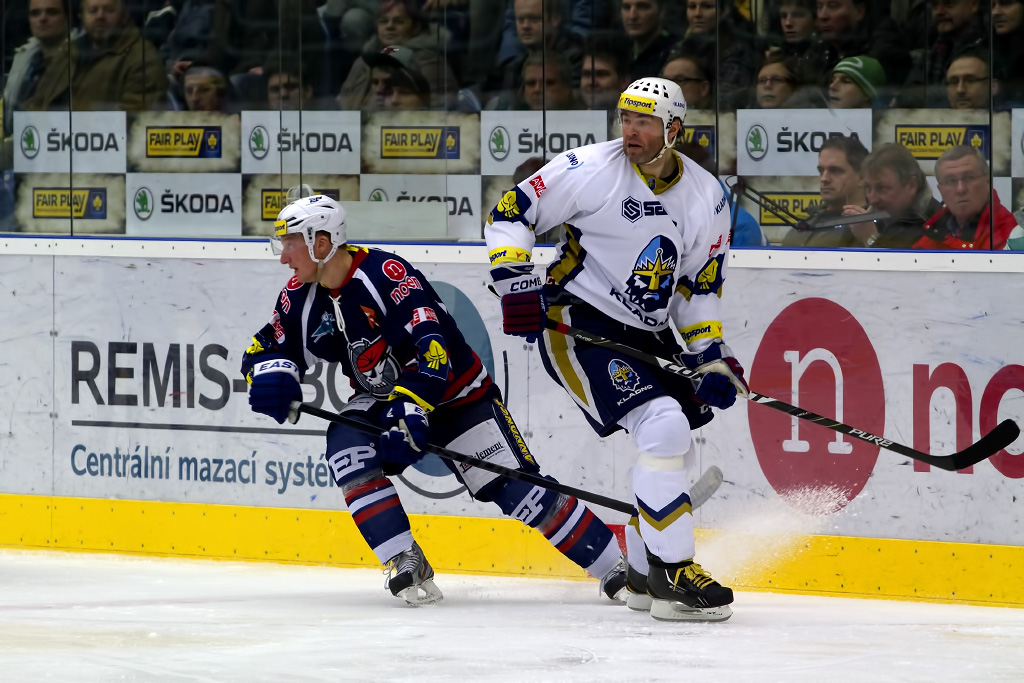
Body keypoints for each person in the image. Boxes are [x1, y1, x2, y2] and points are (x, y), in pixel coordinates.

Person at [241, 194, 628, 606]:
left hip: (458, 395)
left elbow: (433, 348)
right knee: (346, 444)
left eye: (290, 244)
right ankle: (404, 558)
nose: (283, 257)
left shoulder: (386, 274)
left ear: (321, 243)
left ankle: (616, 567)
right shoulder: (299, 297)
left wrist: (411, 409)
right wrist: (271, 374)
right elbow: (266, 348)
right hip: (382, 398)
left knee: (518, 491)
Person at [484, 77, 743, 622]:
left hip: (646, 331)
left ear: (674, 129)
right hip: (575, 320)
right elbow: (511, 212)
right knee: (663, 424)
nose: (630, 131)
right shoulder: (589, 168)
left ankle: (647, 575)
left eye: (644, 122)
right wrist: (515, 282)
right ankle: (675, 571)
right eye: (626, 119)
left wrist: (709, 356)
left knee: (674, 445)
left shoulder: (708, 197)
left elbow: (697, 287)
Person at [23, 0, 167, 112]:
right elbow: (37, 101)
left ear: (124, 15)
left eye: (109, 10)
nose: (100, 16)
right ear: (82, 16)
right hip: (51, 136)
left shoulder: (142, 57)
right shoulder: (68, 52)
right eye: (92, 10)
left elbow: (136, 117)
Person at [914, 146, 1019, 250]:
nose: (960, 189)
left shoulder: (1010, 236)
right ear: (940, 190)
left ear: (988, 182)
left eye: (969, 177)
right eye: (950, 181)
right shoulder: (931, 233)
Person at [838, 143, 940, 248]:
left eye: (881, 188)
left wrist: (870, 239)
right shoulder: (864, 222)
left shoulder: (938, 225)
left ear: (911, 185)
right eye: (868, 188)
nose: (872, 199)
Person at [781, 134, 867, 247]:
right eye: (821, 170)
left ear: (861, 177)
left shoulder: (873, 227)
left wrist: (870, 239)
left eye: (835, 171)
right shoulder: (805, 225)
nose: (824, 178)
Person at [3, 0, 73, 137]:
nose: (43, 18)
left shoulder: (80, 60)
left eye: (52, 12)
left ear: (67, 18)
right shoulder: (22, 60)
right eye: (35, 13)